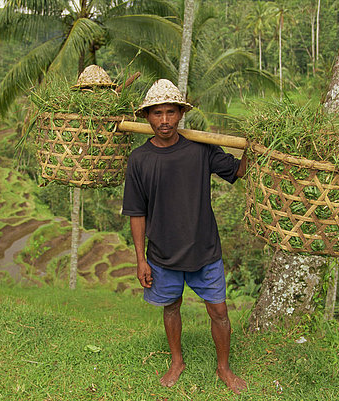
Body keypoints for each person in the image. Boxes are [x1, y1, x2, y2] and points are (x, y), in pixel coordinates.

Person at [122, 79, 248, 394]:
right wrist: (141, 260)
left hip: (204, 249)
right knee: (172, 306)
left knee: (219, 311)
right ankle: (176, 361)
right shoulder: (139, 160)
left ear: (181, 114)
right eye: (157, 114)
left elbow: (238, 172)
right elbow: (136, 213)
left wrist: (255, 149)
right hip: (162, 254)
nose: (164, 121)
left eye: (170, 112)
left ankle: (224, 368)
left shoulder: (201, 148)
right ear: (147, 117)